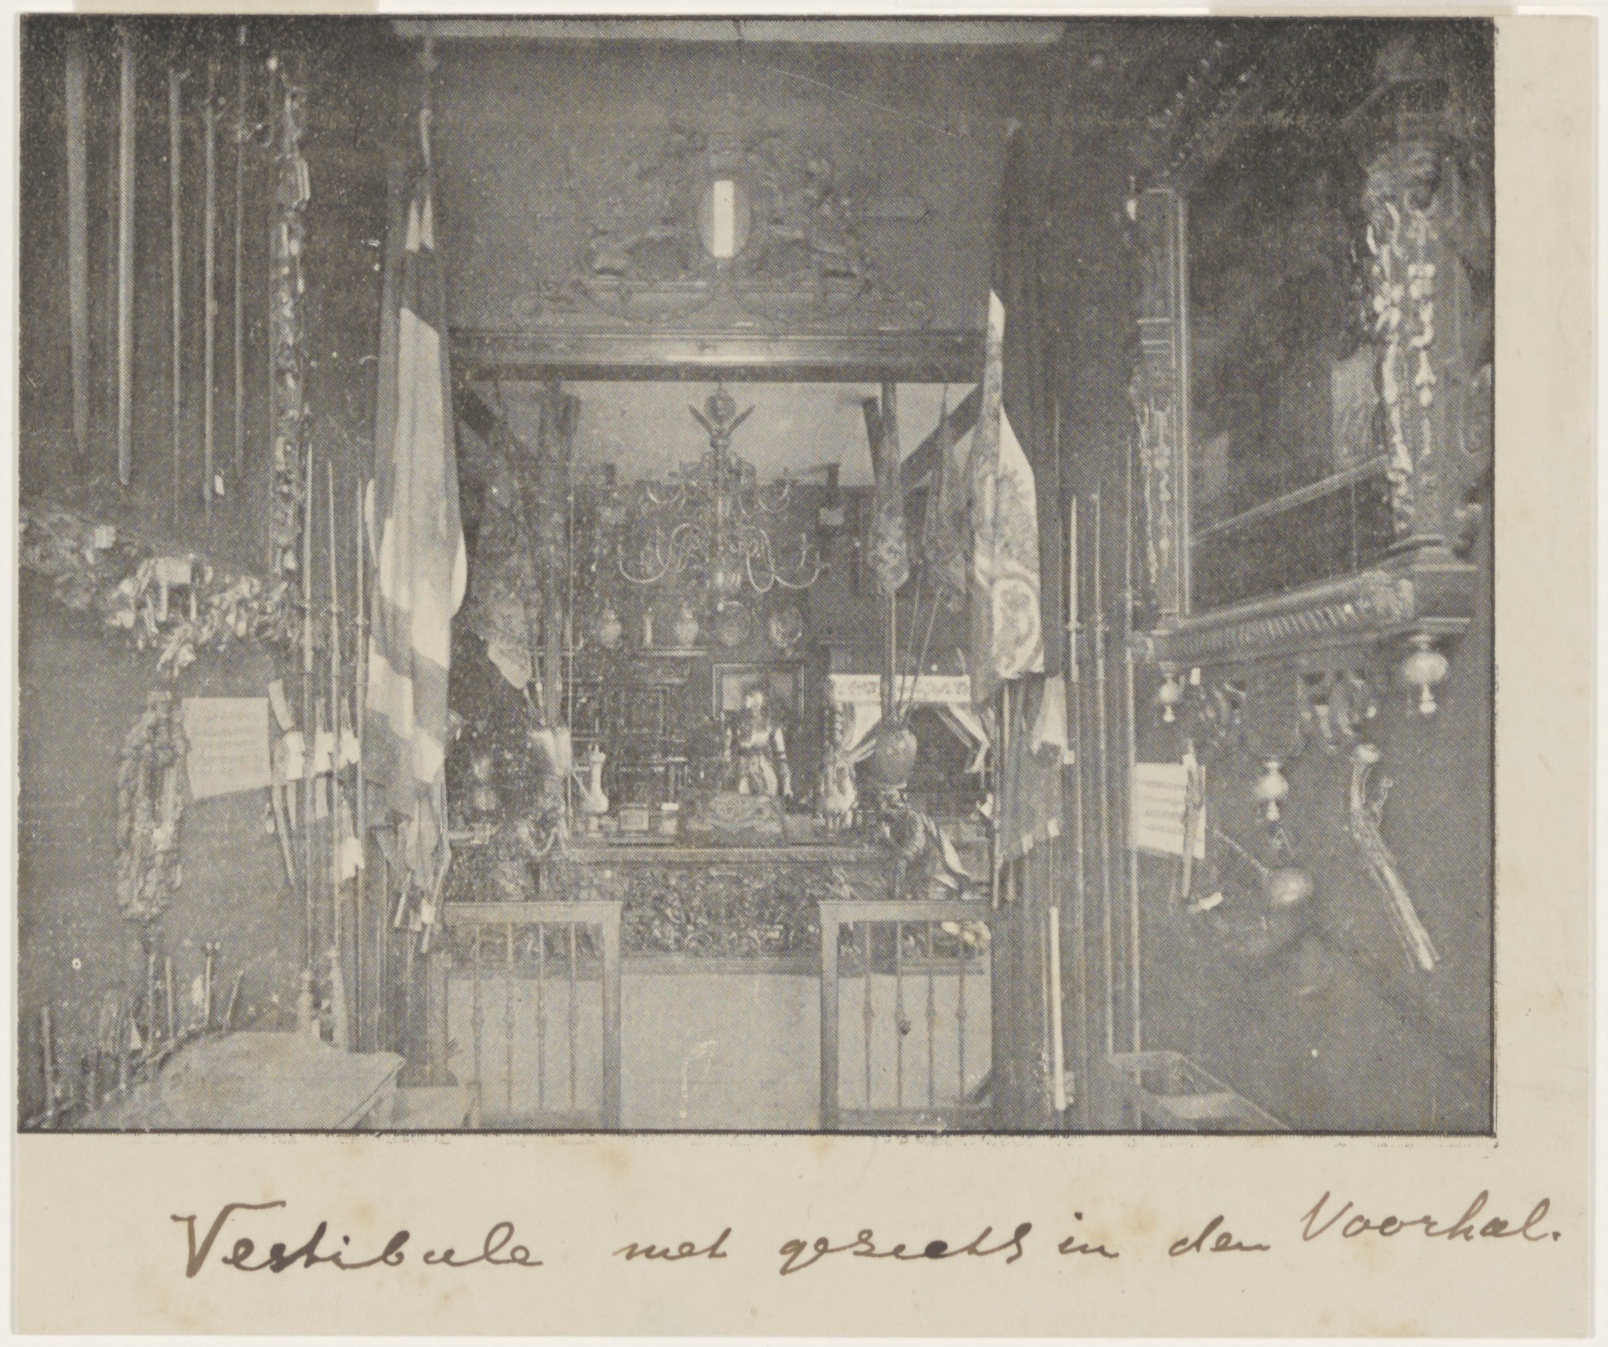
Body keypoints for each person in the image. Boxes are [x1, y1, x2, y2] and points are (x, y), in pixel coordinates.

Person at [729, 686, 790, 799]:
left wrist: (787, 785)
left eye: (757, 705)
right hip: (742, 777)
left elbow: (782, 759)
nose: (753, 710)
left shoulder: (773, 729)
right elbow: (730, 755)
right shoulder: (737, 728)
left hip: (764, 778)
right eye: (749, 707)